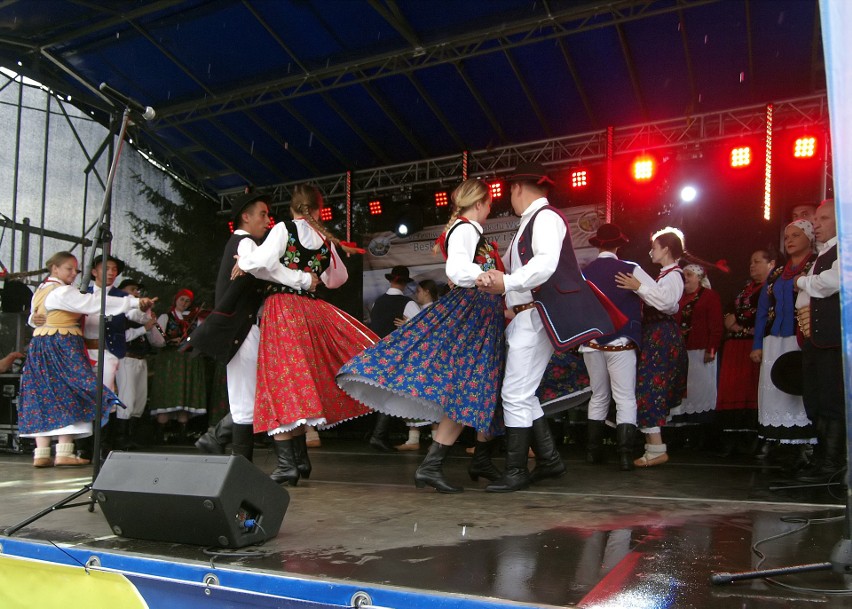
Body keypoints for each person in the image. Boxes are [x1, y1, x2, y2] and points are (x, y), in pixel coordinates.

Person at [338, 178, 506, 493]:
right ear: (480, 203)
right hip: (474, 315)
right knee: (470, 387)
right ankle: (434, 465)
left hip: (482, 316)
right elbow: (457, 269)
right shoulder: (467, 229)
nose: (489, 210)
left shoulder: (467, 230)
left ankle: (472, 459)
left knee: (482, 388)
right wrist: (484, 275)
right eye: (489, 205)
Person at [477, 162, 620, 492]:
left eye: (509, 192)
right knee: (523, 394)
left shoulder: (546, 218)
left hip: (538, 314)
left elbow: (544, 264)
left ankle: (516, 471)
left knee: (514, 393)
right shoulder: (533, 221)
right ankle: (549, 460)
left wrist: (507, 282)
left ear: (516, 188)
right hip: (528, 314)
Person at [236, 183, 377, 486]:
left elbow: (259, 262)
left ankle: (289, 465)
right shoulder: (323, 238)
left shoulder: (284, 229)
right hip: (309, 312)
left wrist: (245, 257)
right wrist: (308, 275)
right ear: (318, 208)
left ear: (292, 207)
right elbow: (338, 279)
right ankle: (300, 462)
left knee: (281, 382)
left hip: (282, 310)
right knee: (298, 381)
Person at [17, 251, 155, 467]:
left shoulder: (42, 289)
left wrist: (33, 320)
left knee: (44, 393)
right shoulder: (64, 291)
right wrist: (132, 303)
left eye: (75, 270)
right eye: (69, 269)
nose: (74, 273)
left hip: (43, 346)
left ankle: (42, 452)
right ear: (55, 268)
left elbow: (38, 316)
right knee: (72, 391)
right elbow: (93, 304)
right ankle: (65, 451)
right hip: (63, 345)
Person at [188, 192, 270, 462]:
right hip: (240, 331)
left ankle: (217, 439)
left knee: (250, 395)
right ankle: (239, 464)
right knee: (245, 399)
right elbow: (263, 265)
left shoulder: (244, 244)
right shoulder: (245, 243)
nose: (267, 221)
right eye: (263, 214)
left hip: (244, 330)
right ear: (245, 217)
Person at [614, 227, 689, 468]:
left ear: (666, 248)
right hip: (655, 334)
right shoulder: (665, 276)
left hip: (661, 335)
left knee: (651, 386)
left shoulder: (674, 275)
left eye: (655, 247)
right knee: (647, 385)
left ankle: (656, 448)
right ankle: (653, 445)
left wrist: (638, 286)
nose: (651, 251)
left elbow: (667, 303)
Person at [578, 223, 643, 471]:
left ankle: (593, 453)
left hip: (593, 343)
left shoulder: (585, 273)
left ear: (598, 245)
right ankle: (625, 456)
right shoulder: (631, 269)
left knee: (598, 396)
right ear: (618, 245)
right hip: (621, 342)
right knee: (625, 398)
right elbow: (660, 299)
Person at [751, 220, 816, 466]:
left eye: (796, 235)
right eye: (787, 236)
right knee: (773, 385)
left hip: (802, 336)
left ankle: (805, 441)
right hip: (774, 337)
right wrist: (757, 342)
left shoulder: (815, 265)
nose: (789, 240)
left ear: (808, 238)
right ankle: (775, 435)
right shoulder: (777, 272)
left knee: (800, 386)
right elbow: (763, 309)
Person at [794, 200, 844, 483]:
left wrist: (801, 282)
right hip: (816, 338)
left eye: (823, 218)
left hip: (832, 339)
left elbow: (833, 282)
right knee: (815, 400)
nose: (816, 224)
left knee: (831, 401)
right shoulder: (822, 254)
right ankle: (824, 458)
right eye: (815, 219)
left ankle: (832, 464)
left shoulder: (844, 249)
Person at [715, 248, 775, 456]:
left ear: (771, 264)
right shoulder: (747, 289)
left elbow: (766, 315)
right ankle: (732, 439)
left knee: (751, 390)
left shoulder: (771, 289)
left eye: (757, 261)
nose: (752, 265)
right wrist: (730, 320)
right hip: (735, 346)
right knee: (733, 389)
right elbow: (730, 309)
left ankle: (753, 441)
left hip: (753, 345)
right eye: (751, 261)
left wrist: (745, 327)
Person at [364, 265, 421, 452]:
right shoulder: (409, 304)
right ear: (405, 283)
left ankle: (377, 435)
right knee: (391, 394)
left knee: (383, 394)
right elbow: (422, 329)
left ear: (390, 280)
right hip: (397, 355)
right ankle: (378, 435)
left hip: (376, 353)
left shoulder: (376, 303)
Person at [668, 264, 723, 448]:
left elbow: (716, 325)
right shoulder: (679, 298)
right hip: (681, 353)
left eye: (689, 275)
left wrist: (712, 348)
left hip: (701, 352)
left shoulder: (710, 296)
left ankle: (701, 436)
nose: (686, 278)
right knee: (683, 393)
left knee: (701, 391)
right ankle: (682, 434)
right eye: (684, 275)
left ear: (699, 278)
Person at [149, 288, 209, 443]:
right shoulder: (166, 317)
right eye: (182, 299)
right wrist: (169, 341)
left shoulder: (195, 319)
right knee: (168, 393)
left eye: (187, 301)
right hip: (170, 360)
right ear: (176, 300)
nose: (184, 303)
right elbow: (158, 337)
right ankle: (159, 434)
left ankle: (182, 433)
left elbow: (202, 337)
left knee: (184, 394)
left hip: (188, 360)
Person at [115, 278, 164, 449]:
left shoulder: (141, 314)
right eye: (132, 289)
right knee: (127, 398)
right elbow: (124, 337)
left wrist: (149, 321)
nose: (136, 293)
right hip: (126, 358)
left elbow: (159, 342)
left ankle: (132, 437)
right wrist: (144, 328)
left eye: (138, 291)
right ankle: (121, 439)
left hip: (141, 360)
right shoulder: (119, 312)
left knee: (139, 400)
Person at [394, 279, 439, 451]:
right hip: (420, 362)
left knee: (428, 399)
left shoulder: (435, 310)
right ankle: (414, 438)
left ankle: (434, 441)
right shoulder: (424, 311)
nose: (416, 294)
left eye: (419, 291)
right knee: (417, 399)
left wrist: (409, 326)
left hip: (429, 362)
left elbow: (429, 334)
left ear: (427, 291)